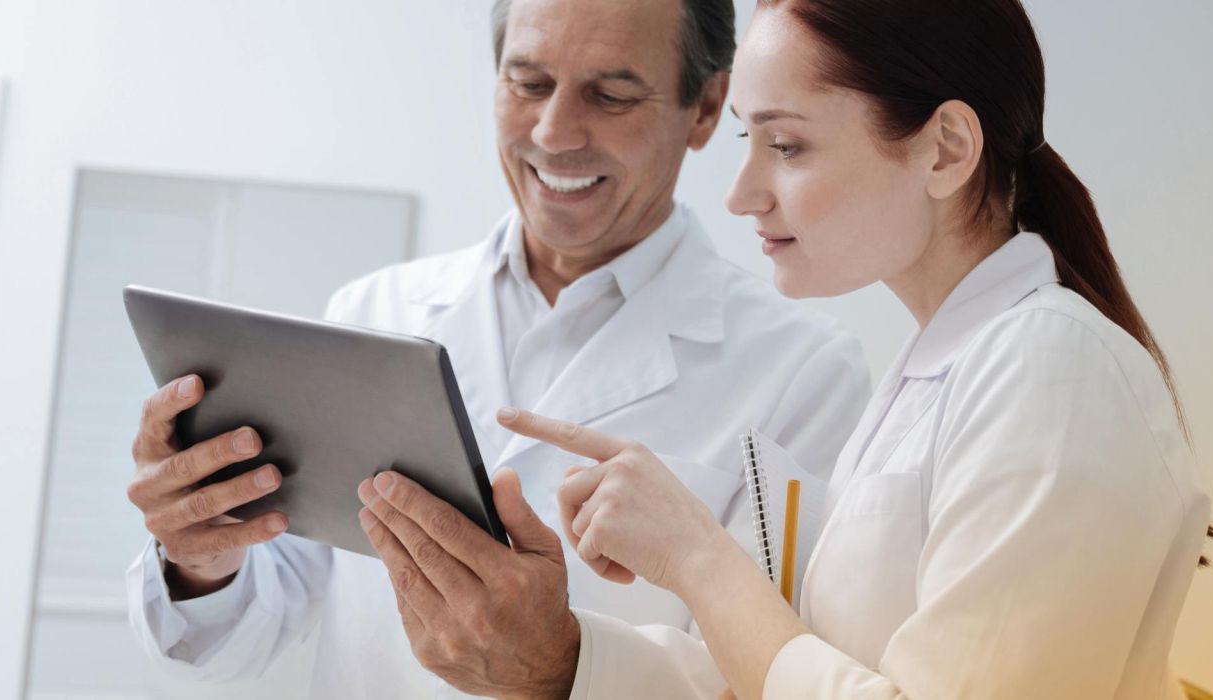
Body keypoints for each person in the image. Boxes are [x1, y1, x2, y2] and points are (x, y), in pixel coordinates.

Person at [361, 0, 1213, 697]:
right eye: (747, 141)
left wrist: (699, 559)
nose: (740, 194)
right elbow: (772, 678)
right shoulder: (933, 378)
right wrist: (563, 656)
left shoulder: (1051, 367)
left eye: (788, 145)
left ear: (946, 149)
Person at [120, 0, 871, 696]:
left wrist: (559, 670)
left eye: (610, 95)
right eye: (528, 82)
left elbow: (776, 680)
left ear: (705, 107)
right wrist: (203, 555)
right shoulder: (373, 311)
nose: (553, 133)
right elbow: (247, 637)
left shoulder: (805, 374)